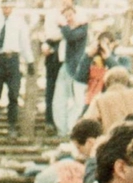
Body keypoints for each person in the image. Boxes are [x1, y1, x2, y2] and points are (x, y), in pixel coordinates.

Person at [0, 0, 32, 137]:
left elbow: (24, 42)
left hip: (12, 59)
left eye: (9, 6)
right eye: (4, 6)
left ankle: (12, 126)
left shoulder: (19, 22)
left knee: (13, 94)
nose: (6, 9)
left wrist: (30, 61)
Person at [51, 4, 89, 137]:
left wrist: (62, 25)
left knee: (77, 101)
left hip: (77, 69)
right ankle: (62, 130)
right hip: (64, 67)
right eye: (66, 16)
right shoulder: (64, 29)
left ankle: (71, 129)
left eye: (70, 15)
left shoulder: (82, 28)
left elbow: (72, 36)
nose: (68, 18)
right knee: (59, 100)